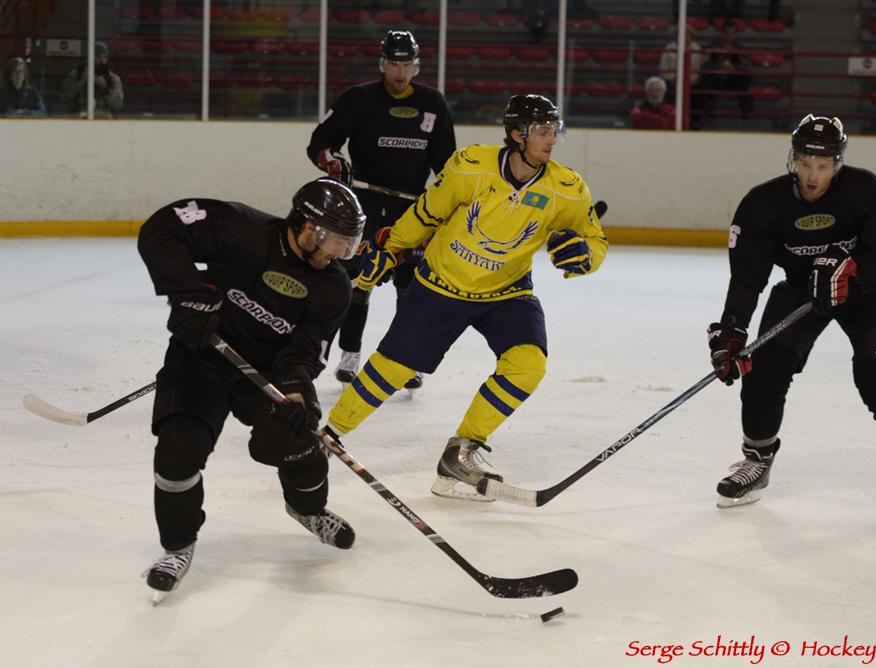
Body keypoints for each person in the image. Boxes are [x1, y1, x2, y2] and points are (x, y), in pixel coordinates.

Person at [324, 94, 608, 501]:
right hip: (442, 285)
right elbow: (426, 214)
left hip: (507, 293)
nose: (551, 140)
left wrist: (585, 257)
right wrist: (390, 250)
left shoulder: (567, 188)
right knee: (392, 369)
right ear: (516, 134)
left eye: (553, 131)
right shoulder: (471, 166)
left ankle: (461, 452)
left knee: (528, 365)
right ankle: (328, 435)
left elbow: (595, 240)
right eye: (542, 131)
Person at [706, 115, 876, 521]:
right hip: (802, 291)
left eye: (822, 166)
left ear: (837, 163)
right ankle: (757, 460)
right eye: (804, 163)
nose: (812, 175)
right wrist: (732, 329)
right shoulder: (762, 203)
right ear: (792, 158)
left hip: (865, 293)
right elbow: (747, 278)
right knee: (764, 362)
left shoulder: (865, 189)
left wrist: (853, 273)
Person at [136, 178, 366, 602]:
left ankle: (307, 509)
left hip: (266, 373)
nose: (340, 254)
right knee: (176, 454)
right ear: (308, 227)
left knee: (302, 440)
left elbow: (303, 352)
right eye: (336, 242)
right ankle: (178, 546)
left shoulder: (333, 287)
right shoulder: (239, 228)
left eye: (348, 246)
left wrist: (296, 396)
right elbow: (163, 227)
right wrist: (188, 294)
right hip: (202, 355)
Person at [307, 29, 456, 392]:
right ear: (382, 63)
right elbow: (320, 144)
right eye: (393, 63)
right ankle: (350, 354)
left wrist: (450, 196)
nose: (400, 71)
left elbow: (448, 163)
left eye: (407, 64)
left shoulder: (433, 104)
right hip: (365, 205)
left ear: (416, 65)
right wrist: (333, 161)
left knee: (412, 288)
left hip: (412, 209)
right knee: (359, 281)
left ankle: (409, 360)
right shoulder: (357, 99)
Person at [61, 41, 124, 118]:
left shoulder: (113, 78)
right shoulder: (75, 75)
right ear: (90, 57)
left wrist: (104, 87)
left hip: (103, 123)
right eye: (97, 57)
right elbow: (64, 98)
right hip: (78, 122)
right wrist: (81, 81)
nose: (101, 61)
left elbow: (118, 105)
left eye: (104, 57)